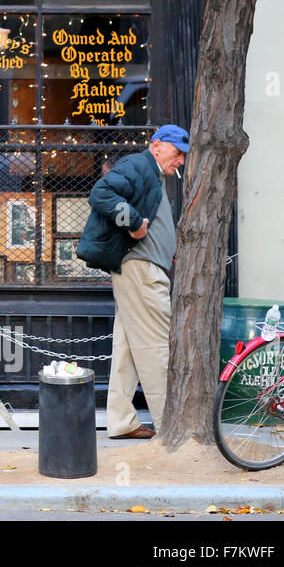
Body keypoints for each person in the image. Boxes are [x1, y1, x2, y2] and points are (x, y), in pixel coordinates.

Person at [76, 124, 189, 440]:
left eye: (183, 155)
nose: (180, 160)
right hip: (141, 271)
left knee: (126, 348)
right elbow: (100, 193)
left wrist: (170, 251)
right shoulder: (139, 164)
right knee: (156, 346)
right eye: (177, 152)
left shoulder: (151, 173)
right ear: (156, 145)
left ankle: (122, 421)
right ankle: (171, 428)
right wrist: (134, 222)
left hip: (142, 269)